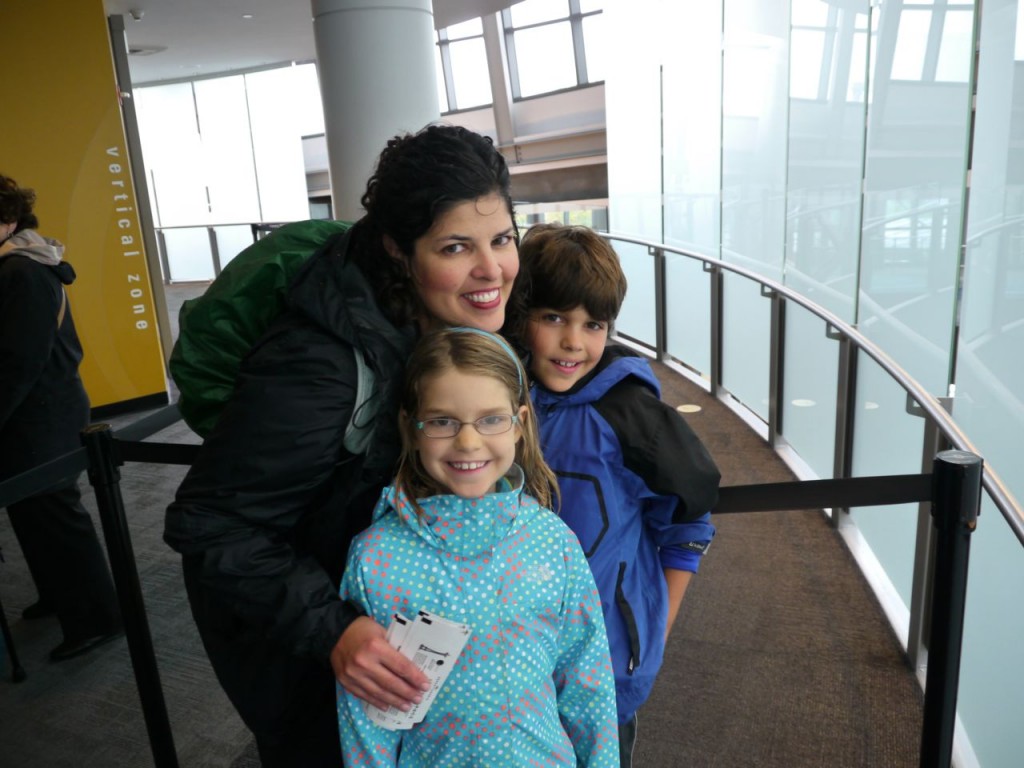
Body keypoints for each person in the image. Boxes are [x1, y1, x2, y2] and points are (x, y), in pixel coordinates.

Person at [164, 124, 521, 767]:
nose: (491, 269)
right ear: (397, 249)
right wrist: (334, 630)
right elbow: (213, 524)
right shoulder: (320, 368)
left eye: (502, 240)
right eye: (456, 247)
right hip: (323, 672)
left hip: (398, 656)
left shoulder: (441, 322)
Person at [337, 327, 619, 767]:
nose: (468, 442)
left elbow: (588, 681)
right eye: (442, 421)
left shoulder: (553, 542)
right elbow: (367, 721)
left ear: (520, 425)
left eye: (491, 419)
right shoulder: (375, 559)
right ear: (411, 430)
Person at [507, 222, 721, 767]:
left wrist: (653, 634)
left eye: (592, 324)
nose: (573, 341)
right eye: (553, 317)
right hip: (511, 663)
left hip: (605, 662)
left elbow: (690, 522)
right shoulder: (494, 398)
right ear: (519, 313)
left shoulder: (632, 416)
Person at [0, 174, 122, 661]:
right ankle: (58, 595)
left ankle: (98, 618)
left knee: (55, 516)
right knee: (31, 511)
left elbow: (18, 362)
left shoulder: (22, 272)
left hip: (40, 415)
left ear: (9, 219)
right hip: (35, 412)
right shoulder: (19, 264)